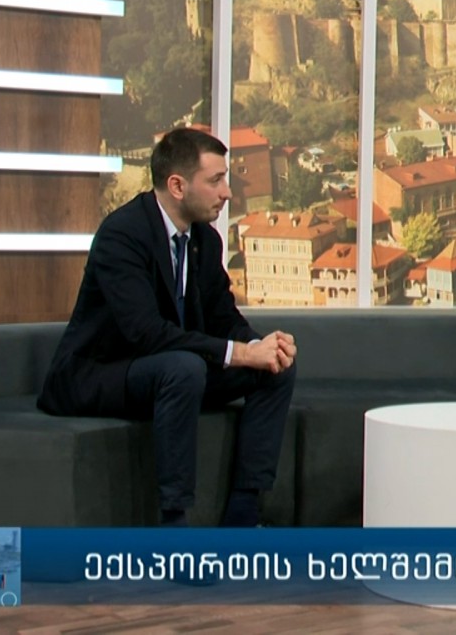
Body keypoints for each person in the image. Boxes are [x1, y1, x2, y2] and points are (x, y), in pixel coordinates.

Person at [38, 127, 297, 528]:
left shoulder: (205, 240)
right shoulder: (123, 234)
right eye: (215, 180)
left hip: (172, 372)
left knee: (277, 365)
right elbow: (145, 333)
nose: (227, 192)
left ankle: (244, 512)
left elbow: (223, 317)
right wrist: (241, 353)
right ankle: (174, 526)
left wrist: (259, 345)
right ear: (177, 185)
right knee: (183, 367)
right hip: (104, 374)